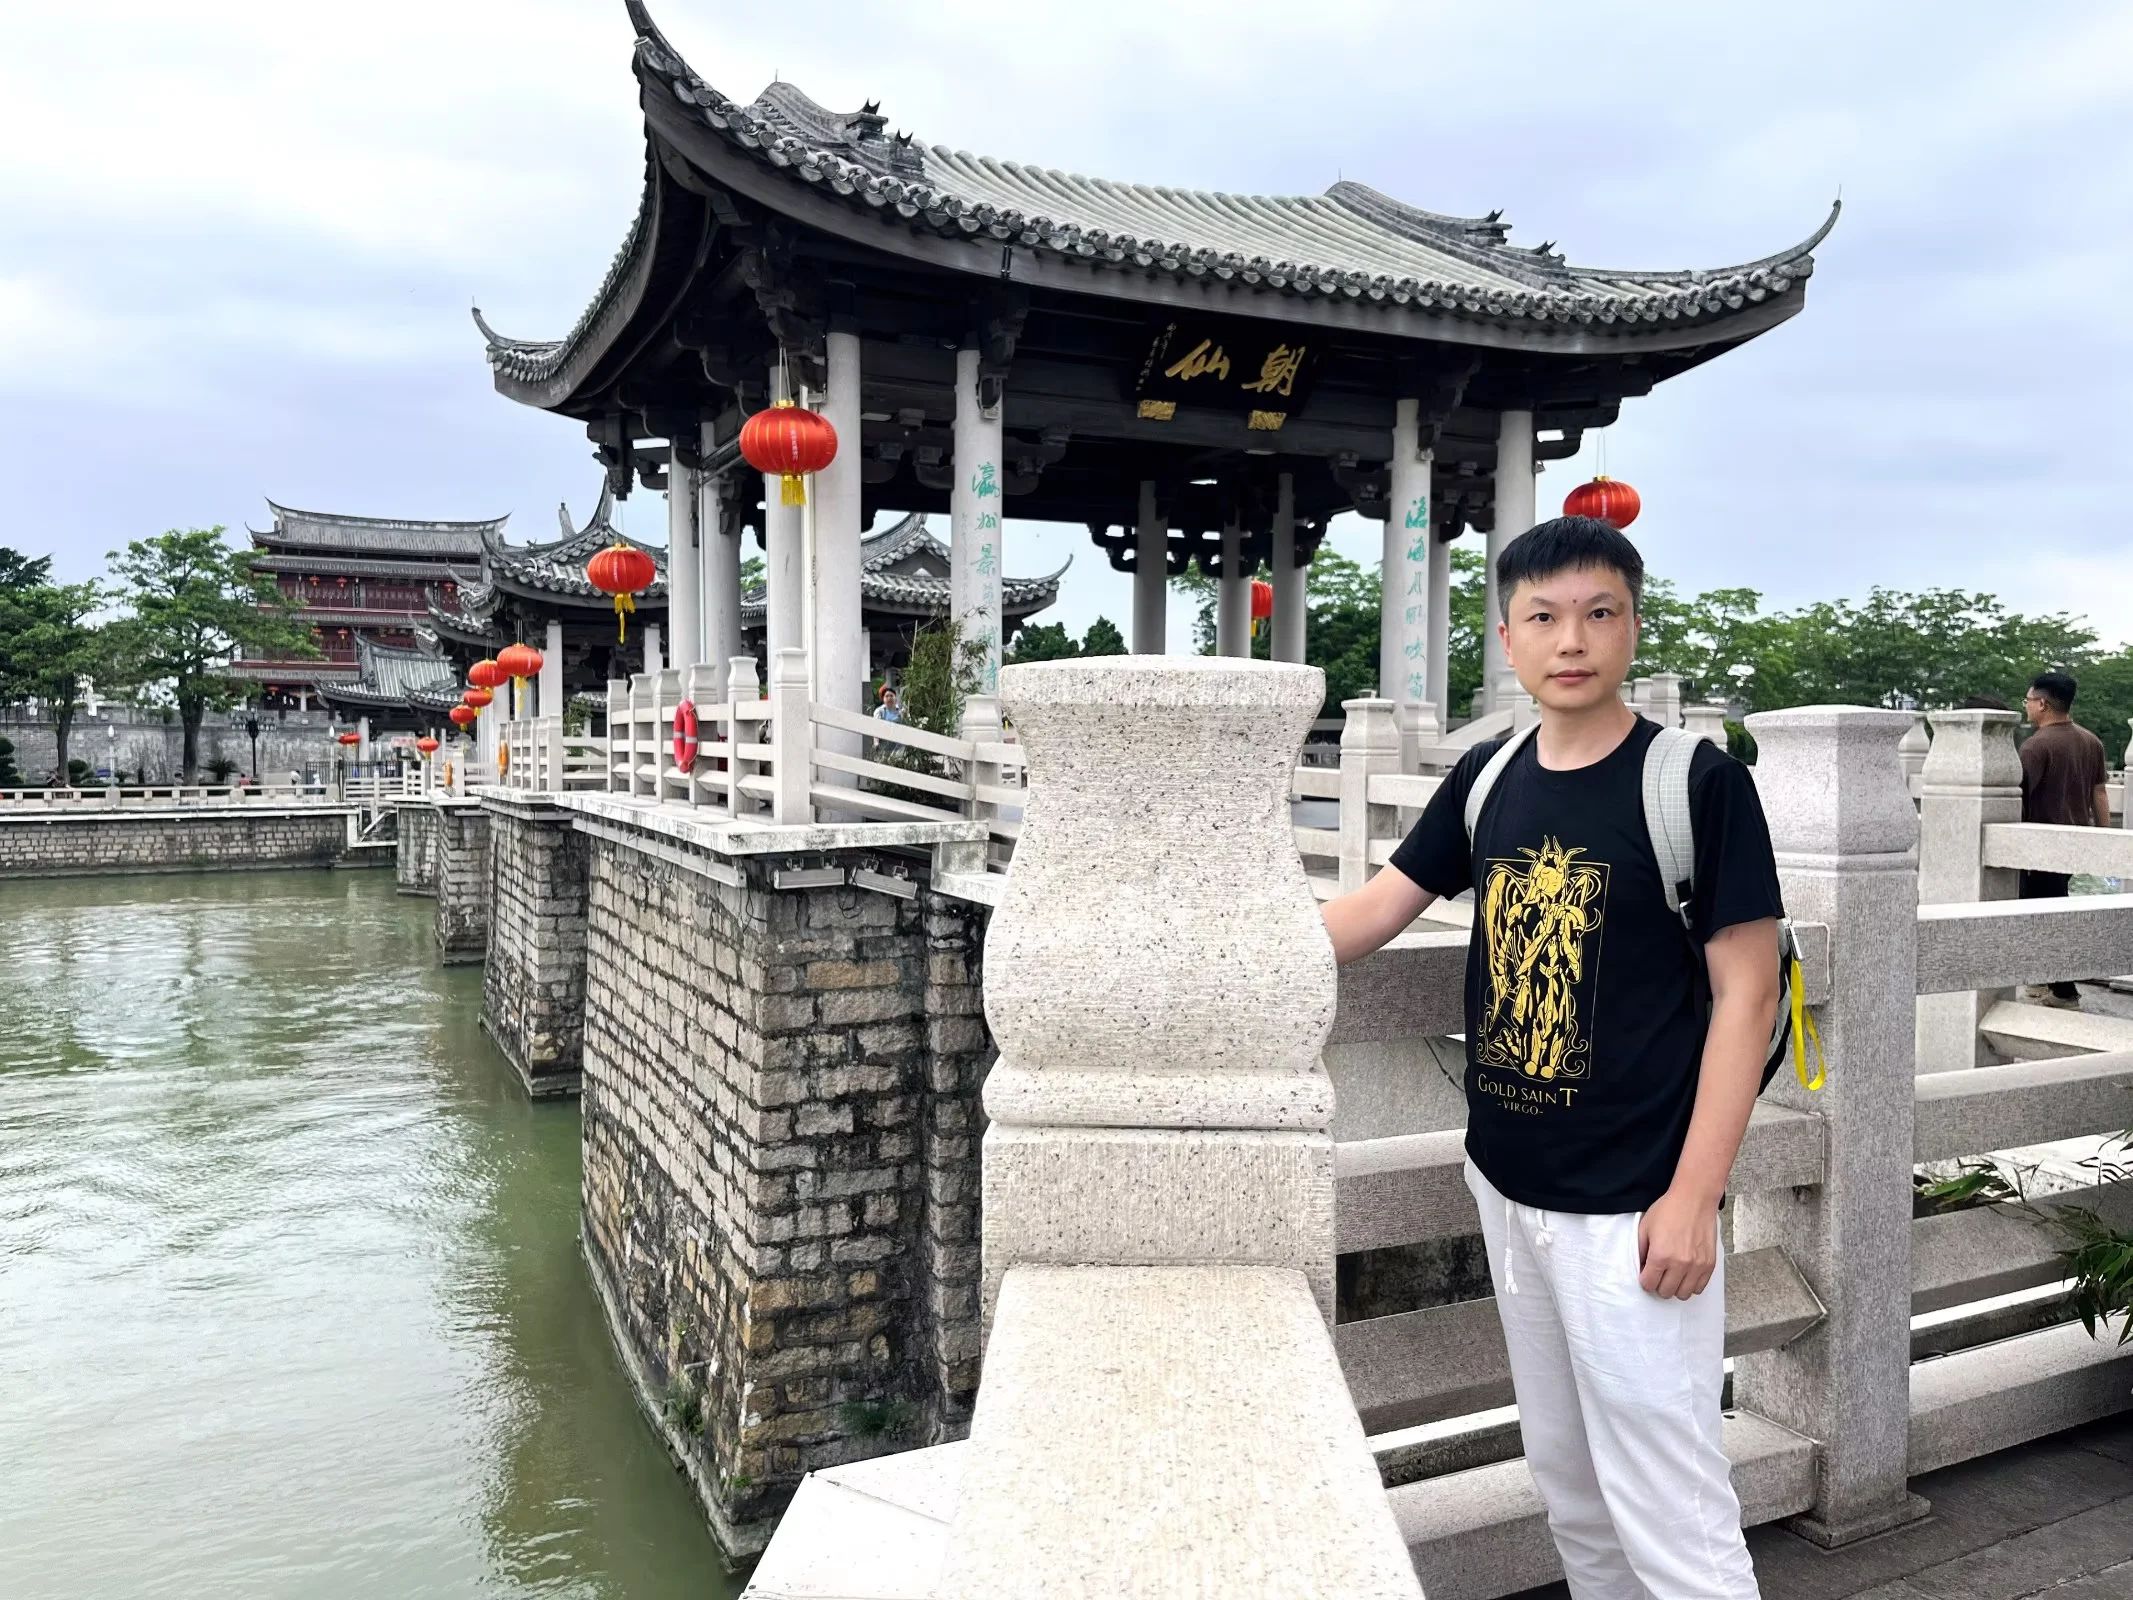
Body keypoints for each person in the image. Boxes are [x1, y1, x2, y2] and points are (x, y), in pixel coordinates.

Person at [1322, 516, 1782, 1599]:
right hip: (1508, 1182)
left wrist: (1693, 1198)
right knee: (1569, 1483)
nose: (1570, 639)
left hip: (1634, 1203)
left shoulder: (1694, 783)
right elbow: (1375, 910)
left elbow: (1748, 995)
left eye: (1597, 613)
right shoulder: (1488, 777)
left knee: (1671, 1505)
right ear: (1508, 637)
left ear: (1632, 626)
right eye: (1543, 617)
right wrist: (1215, 949)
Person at [2017, 670, 2110, 1008]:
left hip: (2039, 846)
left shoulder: (2035, 746)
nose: (2026, 706)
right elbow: (2099, 793)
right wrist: (2103, 839)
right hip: (2074, 842)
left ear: (2042, 704)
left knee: (2043, 916)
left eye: (2028, 700)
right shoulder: (2091, 741)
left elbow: (2019, 797)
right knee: (2050, 906)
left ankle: (2064, 991)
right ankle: (2042, 978)